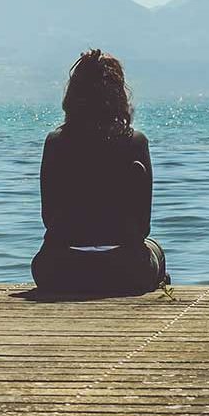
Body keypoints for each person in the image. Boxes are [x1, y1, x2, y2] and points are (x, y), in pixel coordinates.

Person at [31, 49, 169, 294]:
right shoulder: (135, 142)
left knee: (41, 260)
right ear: (119, 96)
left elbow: (48, 218)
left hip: (60, 268)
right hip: (126, 269)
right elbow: (143, 227)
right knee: (155, 249)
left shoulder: (55, 143)